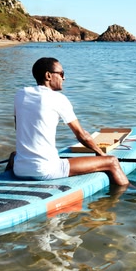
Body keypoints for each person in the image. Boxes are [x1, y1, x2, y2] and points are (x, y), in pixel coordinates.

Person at [11, 57, 129, 186]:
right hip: (46, 171)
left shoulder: (20, 94)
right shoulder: (58, 99)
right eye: (61, 74)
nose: (64, 78)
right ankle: (130, 191)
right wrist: (100, 154)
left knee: (15, 155)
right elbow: (81, 135)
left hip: (20, 170)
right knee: (112, 162)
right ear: (48, 75)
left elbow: (19, 128)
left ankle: (7, 178)